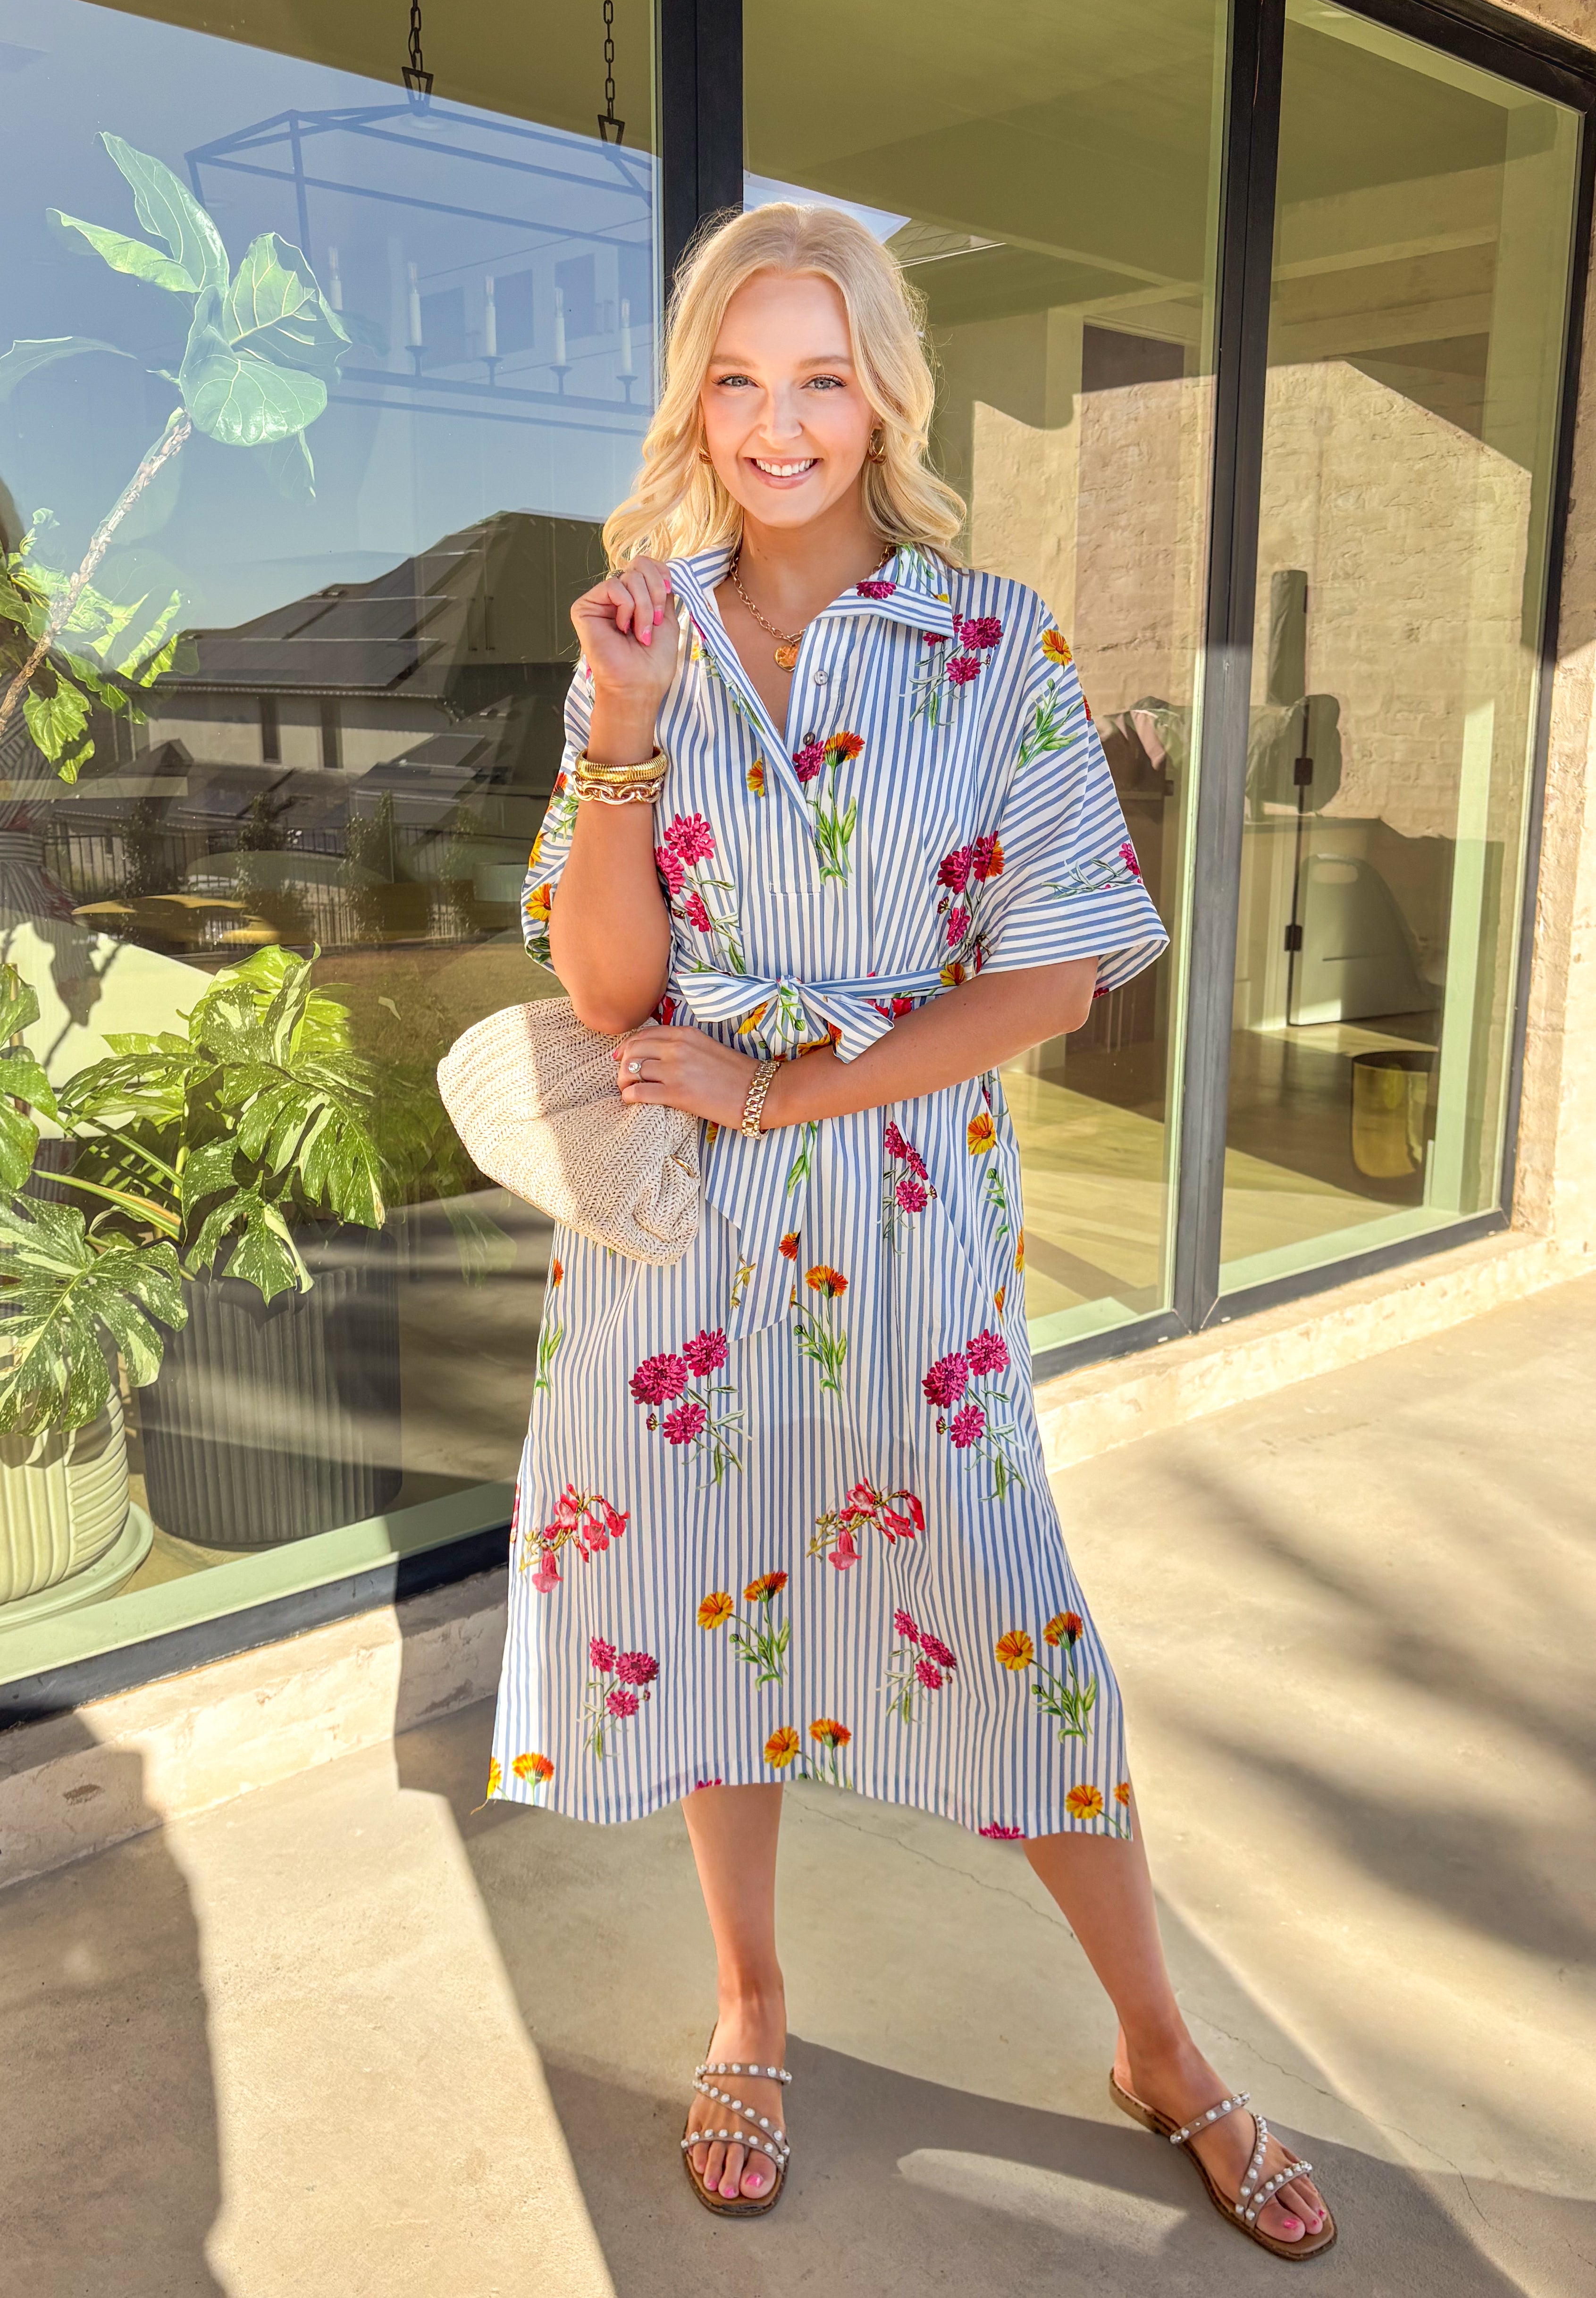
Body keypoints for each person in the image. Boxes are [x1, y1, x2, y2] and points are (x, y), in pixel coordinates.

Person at [488, 201, 1334, 2259]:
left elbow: (1058, 973)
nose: (782, 423)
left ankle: (1161, 2042)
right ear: (700, 394)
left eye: (824, 377)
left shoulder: (993, 641)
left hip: (906, 1234)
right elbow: (608, 990)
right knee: (715, 1617)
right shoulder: (642, 628)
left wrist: (787, 1079)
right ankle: (754, 2005)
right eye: (742, 377)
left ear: (884, 395)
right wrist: (613, 739)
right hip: (680, 1248)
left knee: (1018, 1629)